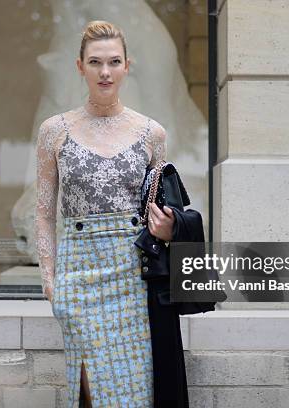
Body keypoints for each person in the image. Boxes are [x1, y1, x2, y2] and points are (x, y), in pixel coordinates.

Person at [35, 20, 175, 408]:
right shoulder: (54, 131)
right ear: (80, 67)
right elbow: (44, 212)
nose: (105, 71)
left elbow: (160, 205)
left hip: (132, 275)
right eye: (95, 62)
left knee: (133, 390)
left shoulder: (152, 134)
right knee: (88, 391)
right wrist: (49, 279)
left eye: (114, 62)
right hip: (77, 272)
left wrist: (166, 229)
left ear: (127, 66)